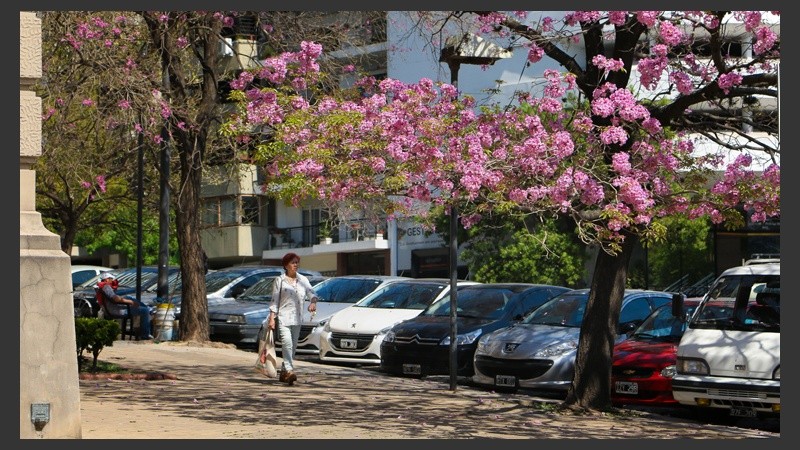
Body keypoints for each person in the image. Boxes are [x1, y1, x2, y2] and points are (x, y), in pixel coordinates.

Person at [267, 252, 319, 385]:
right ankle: (289, 370)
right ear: (286, 265)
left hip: (297, 318)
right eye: (293, 262)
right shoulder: (280, 280)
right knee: (287, 343)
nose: (296, 265)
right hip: (284, 317)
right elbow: (274, 300)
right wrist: (272, 318)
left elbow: (311, 293)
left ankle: (284, 373)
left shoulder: (303, 279)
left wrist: (313, 302)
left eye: (297, 262)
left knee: (293, 347)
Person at [98, 272, 154, 340]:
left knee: (128, 296)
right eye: (111, 279)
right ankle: (145, 335)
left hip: (112, 308)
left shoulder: (102, 287)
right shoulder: (106, 287)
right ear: (106, 279)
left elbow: (114, 297)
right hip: (116, 310)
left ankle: (146, 308)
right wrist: (130, 302)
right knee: (145, 311)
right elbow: (115, 299)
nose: (112, 281)